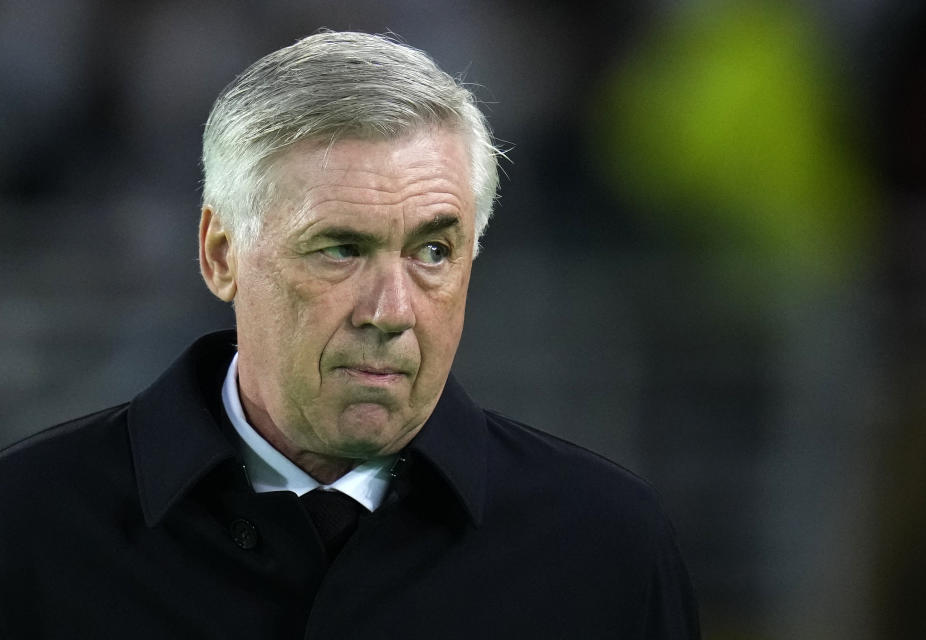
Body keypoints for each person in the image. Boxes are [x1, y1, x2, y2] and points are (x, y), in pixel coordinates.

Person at [0, 31, 700, 638]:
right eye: (340, 249)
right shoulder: (28, 529)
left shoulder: (604, 548)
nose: (391, 310)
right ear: (220, 255)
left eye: (432, 251)